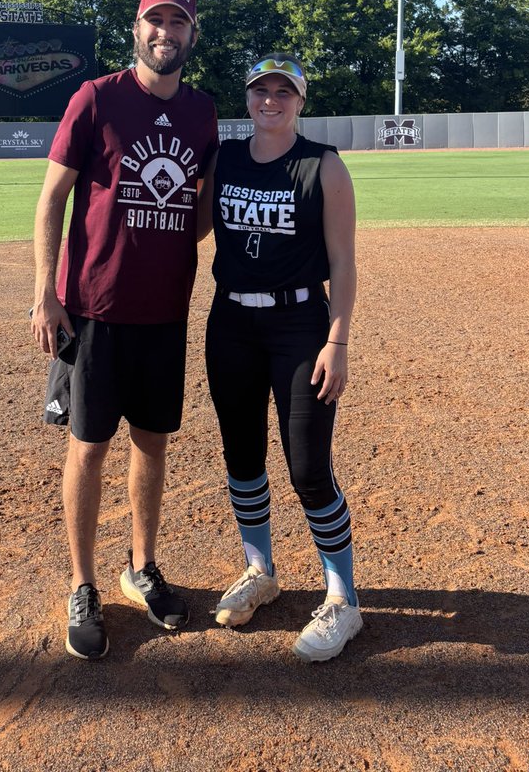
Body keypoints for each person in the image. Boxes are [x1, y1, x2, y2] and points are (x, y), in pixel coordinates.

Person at [31, 0, 219, 660]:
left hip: (164, 311)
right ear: (136, 29)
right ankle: (84, 584)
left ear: (193, 35)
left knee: (153, 443)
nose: (166, 31)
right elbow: (52, 199)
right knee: (88, 445)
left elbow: (196, 216)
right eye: (155, 20)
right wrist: (45, 295)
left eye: (178, 21)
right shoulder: (98, 98)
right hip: (95, 310)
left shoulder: (203, 113)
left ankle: (141, 567)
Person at [201, 53, 361, 662]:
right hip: (232, 323)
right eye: (260, 90)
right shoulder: (226, 159)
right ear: (247, 98)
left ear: (300, 101)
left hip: (299, 325)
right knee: (241, 455)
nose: (271, 100)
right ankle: (260, 569)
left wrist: (337, 341)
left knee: (308, 468)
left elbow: (343, 262)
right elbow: (190, 228)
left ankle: (343, 599)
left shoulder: (322, 164)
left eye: (283, 92)